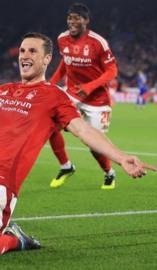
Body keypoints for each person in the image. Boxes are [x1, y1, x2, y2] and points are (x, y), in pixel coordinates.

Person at [0, 32, 156, 261]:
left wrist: (121, 157)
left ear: (47, 59)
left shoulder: (54, 96)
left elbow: (83, 130)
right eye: (22, 51)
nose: (25, 56)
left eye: (32, 51)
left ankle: (14, 239)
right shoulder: (4, 90)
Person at [48, 3, 119, 190]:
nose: (72, 22)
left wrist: (90, 86)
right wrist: (51, 84)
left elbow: (112, 70)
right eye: (70, 18)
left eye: (76, 18)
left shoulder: (98, 42)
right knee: (49, 123)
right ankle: (66, 166)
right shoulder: (62, 39)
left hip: (98, 100)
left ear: (86, 21)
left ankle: (109, 173)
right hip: (72, 94)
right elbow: (65, 62)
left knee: (95, 146)